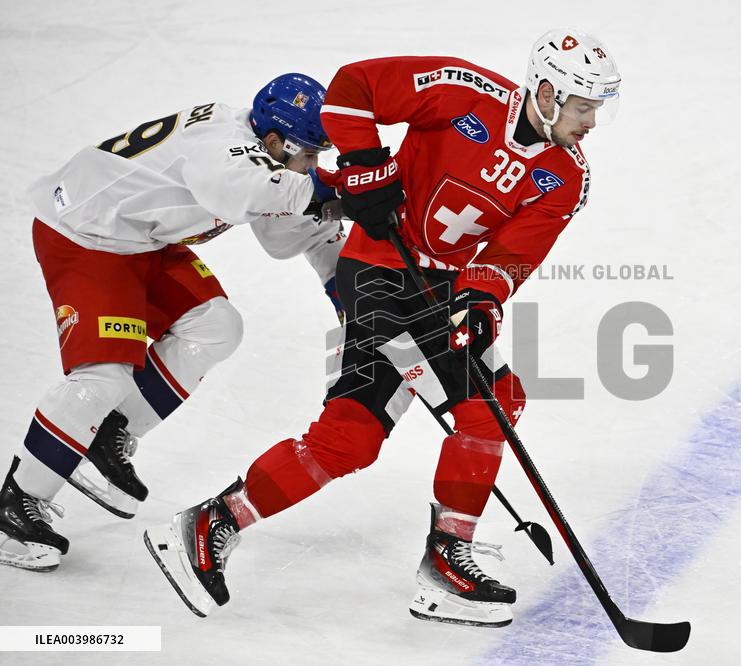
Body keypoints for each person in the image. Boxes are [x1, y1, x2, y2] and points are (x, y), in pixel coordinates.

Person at [145, 29, 621, 627]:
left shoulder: (565, 176)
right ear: (547, 92)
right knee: (490, 402)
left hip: (440, 290)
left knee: (351, 436)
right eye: (584, 107)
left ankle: (215, 521)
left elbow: (509, 255)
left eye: (598, 108)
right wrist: (366, 164)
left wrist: (482, 302)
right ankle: (447, 561)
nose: (592, 123)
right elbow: (352, 89)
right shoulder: (461, 90)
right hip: (378, 269)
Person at [0, 73, 347, 572]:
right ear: (274, 141)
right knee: (103, 377)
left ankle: (107, 435)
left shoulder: (269, 160)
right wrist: (342, 189)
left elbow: (301, 233)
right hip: (87, 232)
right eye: (310, 155)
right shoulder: (224, 146)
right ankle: (15, 504)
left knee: (217, 325)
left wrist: (354, 303)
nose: (314, 166)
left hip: (142, 239)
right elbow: (249, 190)